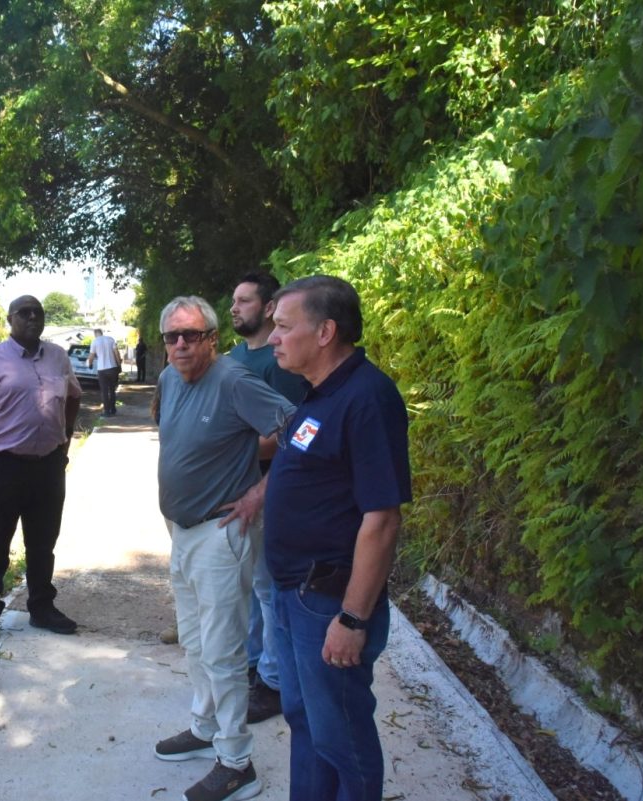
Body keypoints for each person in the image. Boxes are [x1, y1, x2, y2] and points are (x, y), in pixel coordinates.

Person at [264, 275, 411, 801]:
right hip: (293, 593)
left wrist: (352, 619)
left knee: (341, 735)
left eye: (283, 326)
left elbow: (382, 520)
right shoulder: (321, 395)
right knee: (306, 722)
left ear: (324, 331)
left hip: (328, 600)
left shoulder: (367, 398)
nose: (273, 336)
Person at [153, 295, 294, 801]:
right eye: (172, 336)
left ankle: (237, 762)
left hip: (221, 533)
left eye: (192, 335)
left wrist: (260, 490)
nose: (181, 344)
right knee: (194, 641)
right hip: (182, 531)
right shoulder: (170, 378)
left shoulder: (233, 379)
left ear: (213, 338)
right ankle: (204, 726)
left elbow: (297, 431)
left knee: (223, 650)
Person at [0, 295, 82, 646]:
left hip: (48, 466)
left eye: (38, 313)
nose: (33, 318)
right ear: (10, 319)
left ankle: (41, 607)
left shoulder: (58, 357)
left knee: (43, 544)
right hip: (3, 467)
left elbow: (74, 396)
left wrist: (64, 442)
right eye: (25, 313)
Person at [228, 272, 310, 725]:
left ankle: (273, 682)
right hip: (236, 489)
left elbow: (291, 432)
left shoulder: (282, 363)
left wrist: (226, 446)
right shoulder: (236, 357)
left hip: (270, 487)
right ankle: (254, 664)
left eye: (244, 301)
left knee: (267, 587)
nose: (235, 309)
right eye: (234, 302)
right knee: (250, 587)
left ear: (268, 306)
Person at [87, 327, 122, 415]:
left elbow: (91, 356)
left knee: (104, 391)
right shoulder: (110, 339)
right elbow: (116, 353)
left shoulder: (95, 342)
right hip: (113, 368)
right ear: (101, 333)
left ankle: (106, 411)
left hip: (102, 369)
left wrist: (89, 364)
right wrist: (119, 365)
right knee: (112, 389)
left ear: (95, 334)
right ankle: (113, 409)